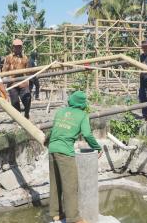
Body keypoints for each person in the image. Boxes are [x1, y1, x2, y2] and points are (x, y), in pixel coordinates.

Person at [48, 91, 102, 223]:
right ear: (83, 104)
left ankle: (56, 213)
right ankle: (74, 218)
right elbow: (87, 135)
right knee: (70, 185)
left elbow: (53, 130)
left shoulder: (60, 112)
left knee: (56, 183)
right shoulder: (83, 115)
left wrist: (46, 141)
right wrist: (97, 147)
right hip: (65, 152)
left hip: (52, 149)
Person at [2, 39, 32, 119]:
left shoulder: (25, 58)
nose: (18, 48)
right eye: (16, 47)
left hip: (23, 82)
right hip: (12, 82)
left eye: (19, 47)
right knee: (15, 102)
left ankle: (26, 113)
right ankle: (18, 119)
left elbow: (28, 71)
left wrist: (29, 77)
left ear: (21, 47)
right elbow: (4, 70)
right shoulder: (9, 57)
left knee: (27, 98)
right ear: (13, 47)